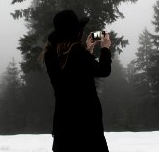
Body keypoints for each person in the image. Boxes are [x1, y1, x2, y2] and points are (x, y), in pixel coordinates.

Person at [43, 9, 112, 152]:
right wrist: (105, 48)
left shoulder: (50, 54)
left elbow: (72, 73)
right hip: (87, 124)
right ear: (76, 32)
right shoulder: (78, 53)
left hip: (63, 123)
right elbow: (103, 71)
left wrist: (88, 50)